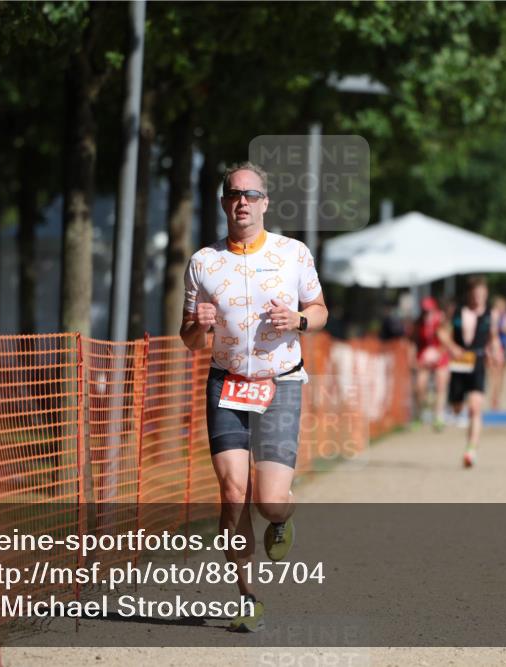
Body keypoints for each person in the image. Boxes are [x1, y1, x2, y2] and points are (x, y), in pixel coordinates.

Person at [180, 161, 328, 632]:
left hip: (280, 382)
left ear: (265, 202)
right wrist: (197, 326)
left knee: (268, 501)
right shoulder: (203, 262)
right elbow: (189, 339)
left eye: (250, 194)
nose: (241, 201)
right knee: (232, 493)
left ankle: (283, 516)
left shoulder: (293, 254)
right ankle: (247, 596)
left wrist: (299, 321)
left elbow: (321, 310)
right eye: (233, 193)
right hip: (226, 382)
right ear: (224, 203)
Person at [441, 277, 502, 468]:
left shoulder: (490, 314)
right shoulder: (457, 311)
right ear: (469, 294)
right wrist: (452, 347)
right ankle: (457, 407)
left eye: (482, 295)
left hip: (477, 363)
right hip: (459, 364)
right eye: (476, 295)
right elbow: (441, 333)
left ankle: (471, 449)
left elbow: (493, 338)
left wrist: (496, 351)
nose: (479, 299)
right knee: (457, 408)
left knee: (475, 407)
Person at [413, 296, 450, 431]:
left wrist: (437, 354)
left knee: (441, 385)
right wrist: (417, 358)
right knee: (419, 386)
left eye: (429, 310)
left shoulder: (441, 320)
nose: (427, 313)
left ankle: (439, 417)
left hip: (440, 356)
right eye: (425, 310)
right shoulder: (419, 323)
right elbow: (415, 341)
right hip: (424, 357)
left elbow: (447, 342)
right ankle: (418, 415)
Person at [489, 296, 506, 410]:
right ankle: (494, 398)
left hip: (504, 347)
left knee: (500, 374)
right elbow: (493, 332)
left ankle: (497, 397)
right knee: (494, 374)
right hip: (495, 347)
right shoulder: (494, 315)